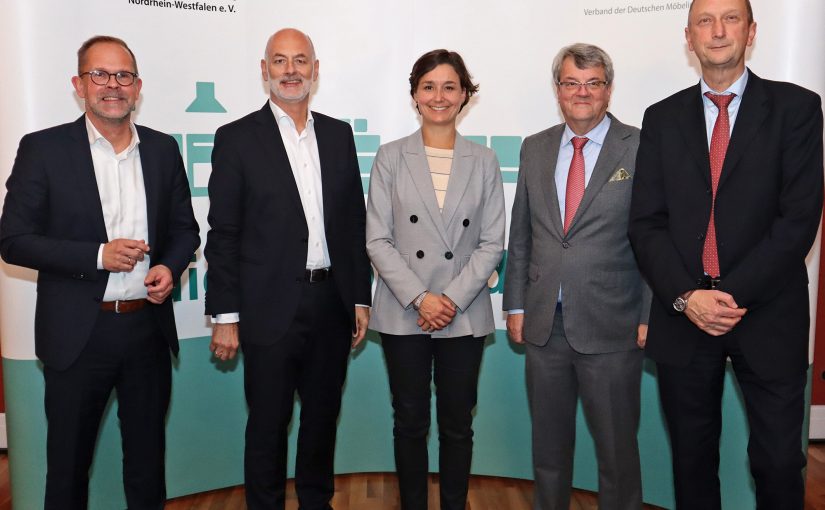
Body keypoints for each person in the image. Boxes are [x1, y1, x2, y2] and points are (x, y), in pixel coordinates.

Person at [628, 0, 824, 507]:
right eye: (704, 22)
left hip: (768, 313)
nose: (718, 31)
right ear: (688, 38)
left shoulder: (798, 109)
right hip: (684, 315)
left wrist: (728, 294)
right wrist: (687, 297)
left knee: (779, 463)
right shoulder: (662, 117)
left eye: (730, 18)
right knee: (691, 463)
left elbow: (798, 220)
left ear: (752, 31)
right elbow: (647, 223)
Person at [0, 35, 199, 509]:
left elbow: (185, 230)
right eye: (100, 75)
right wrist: (97, 255)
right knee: (68, 470)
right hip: (77, 336)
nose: (113, 85)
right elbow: (12, 240)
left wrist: (170, 267)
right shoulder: (44, 149)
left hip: (146, 331)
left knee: (147, 465)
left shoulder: (162, 149)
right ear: (79, 84)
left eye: (123, 75)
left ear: (138, 86)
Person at [204, 28, 371, 510]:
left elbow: (352, 222)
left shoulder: (339, 135)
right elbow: (224, 233)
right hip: (266, 309)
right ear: (264, 71)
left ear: (315, 71)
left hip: (331, 304)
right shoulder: (235, 138)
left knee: (321, 421)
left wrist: (359, 296)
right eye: (280, 61)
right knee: (268, 426)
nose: (291, 70)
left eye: (301, 61)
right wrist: (227, 315)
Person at [502, 43, 650, 510]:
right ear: (558, 90)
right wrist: (516, 304)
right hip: (545, 325)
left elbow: (656, 240)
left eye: (592, 83)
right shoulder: (536, 147)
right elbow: (521, 234)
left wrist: (651, 313)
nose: (581, 92)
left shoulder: (641, 146)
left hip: (614, 326)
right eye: (571, 83)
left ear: (608, 90)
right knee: (547, 453)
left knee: (617, 454)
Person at [366, 49, 505, 510]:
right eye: (429, 86)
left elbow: (491, 243)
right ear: (414, 95)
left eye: (449, 86)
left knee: (457, 423)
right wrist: (422, 298)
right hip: (405, 310)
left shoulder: (484, 160)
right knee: (408, 420)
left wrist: (450, 299)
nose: (439, 96)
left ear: (465, 94)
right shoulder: (390, 157)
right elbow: (378, 240)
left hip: (462, 314)